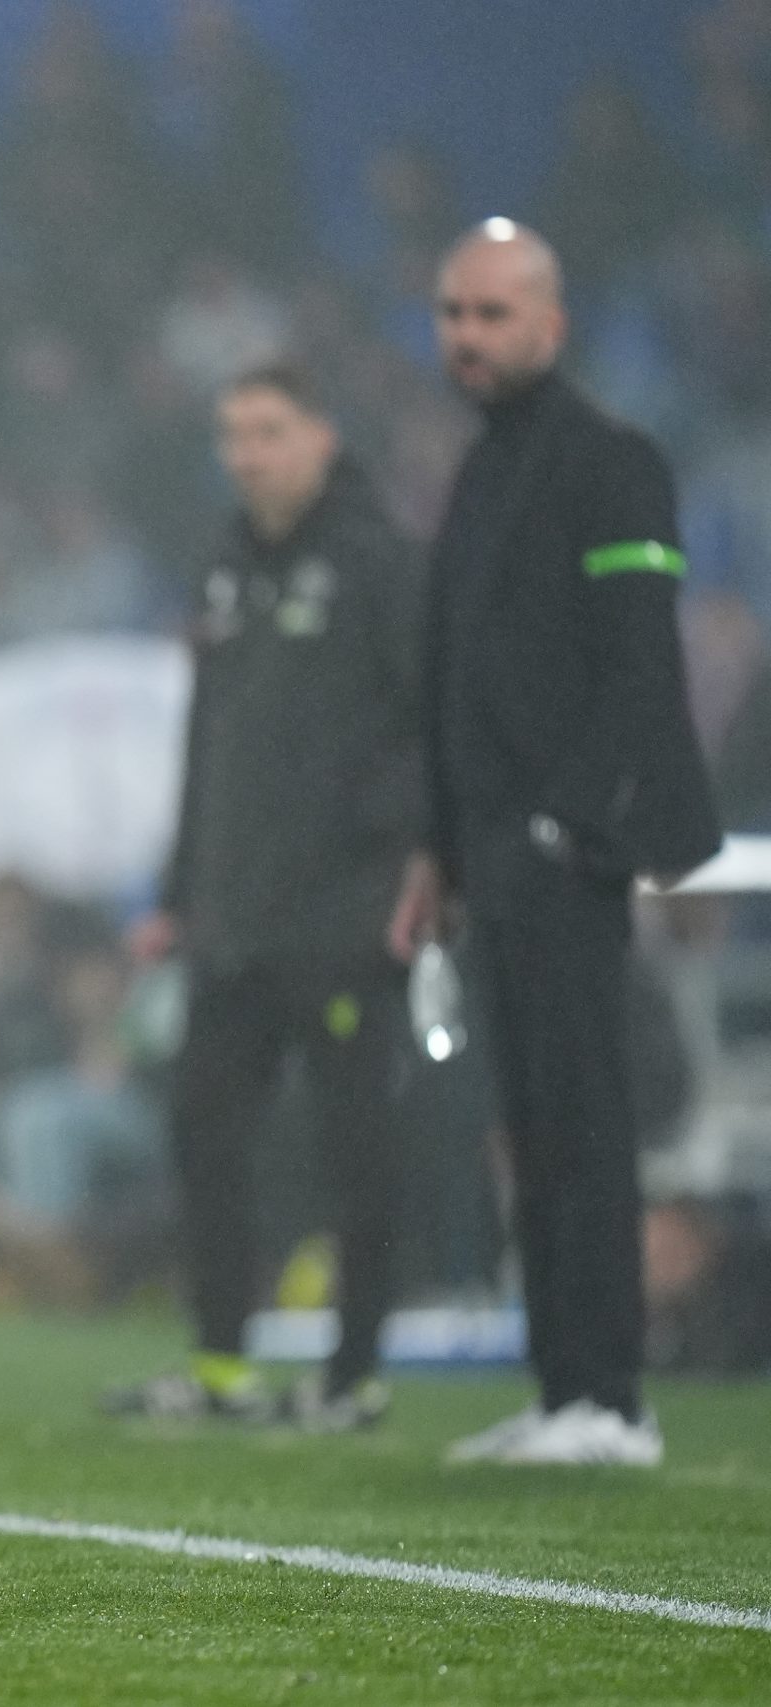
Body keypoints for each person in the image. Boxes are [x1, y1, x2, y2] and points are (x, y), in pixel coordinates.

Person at [393, 222, 722, 1467]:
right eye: (451, 313)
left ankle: (613, 1400)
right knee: (527, 1125)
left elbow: (644, 667)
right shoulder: (481, 471)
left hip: (565, 854)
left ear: (551, 321)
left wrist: (562, 825)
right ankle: (562, 1387)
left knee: (583, 1122)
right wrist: (441, 847)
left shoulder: (610, 460)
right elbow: (453, 684)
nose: (466, 336)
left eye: (491, 312)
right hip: (489, 855)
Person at [106, 363, 424, 1431]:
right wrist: (175, 892)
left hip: (344, 913)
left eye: (269, 431)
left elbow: (429, 728)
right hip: (232, 918)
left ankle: (353, 1373)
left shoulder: (380, 562)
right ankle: (221, 1367)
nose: (248, 454)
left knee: (353, 1149)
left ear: (322, 436)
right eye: (233, 434)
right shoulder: (225, 565)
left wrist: (417, 857)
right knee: (206, 1136)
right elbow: (209, 741)